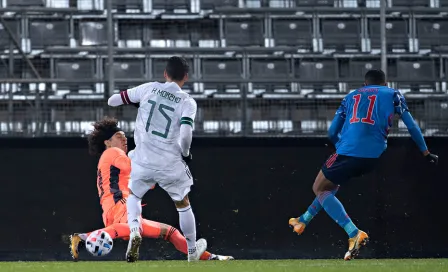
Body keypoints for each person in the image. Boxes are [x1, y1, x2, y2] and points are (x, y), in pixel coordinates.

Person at [288, 69, 438, 260]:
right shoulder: (393, 94)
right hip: (373, 157)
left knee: (318, 187)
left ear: (364, 84)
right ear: (385, 83)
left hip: (348, 151)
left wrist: (342, 146)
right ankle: (303, 220)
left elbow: (332, 132)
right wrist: (426, 152)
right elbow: (411, 125)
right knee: (331, 186)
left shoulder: (351, 96)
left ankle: (353, 233)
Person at [69, 117, 233, 262]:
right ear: (107, 142)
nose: (124, 140)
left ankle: (210, 257)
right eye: (119, 137)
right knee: (135, 229)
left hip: (112, 211)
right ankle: (85, 237)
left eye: (125, 137)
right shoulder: (113, 151)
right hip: (122, 204)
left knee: (171, 232)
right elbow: (134, 168)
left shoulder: (110, 158)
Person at [107, 56, 204, 262]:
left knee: (133, 195)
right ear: (186, 77)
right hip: (169, 163)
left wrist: (135, 101)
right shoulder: (187, 102)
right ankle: (191, 250)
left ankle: (134, 231)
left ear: (165, 74)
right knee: (182, 203)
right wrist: (185, 154)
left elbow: (112, 101)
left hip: (142, 160)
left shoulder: (148, 89)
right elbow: (186, 135)